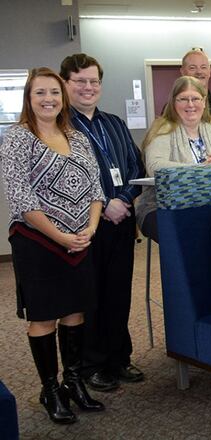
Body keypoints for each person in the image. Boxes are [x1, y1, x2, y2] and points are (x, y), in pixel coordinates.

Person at [0, 67, 105, 424]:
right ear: (29, 99)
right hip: (38, 244)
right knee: (44, 316)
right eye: (40, 93)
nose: (49, 99)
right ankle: (50, 389)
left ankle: (73, 381)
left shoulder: (76, 136)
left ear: (63, 98)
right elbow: (21, 198)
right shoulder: (17, 139)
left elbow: (95, 189)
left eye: (55, 93)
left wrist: (89, 230)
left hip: (80, 242)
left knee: (75, 312)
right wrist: (60, 237)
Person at [59, 53, 145, 393]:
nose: (87, 87)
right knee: (90, 296)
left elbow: (135, 167)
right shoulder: (61, 126)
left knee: (119, 292)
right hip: (85, 225)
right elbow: (67, 178)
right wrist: (104, 204)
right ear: (66, 84)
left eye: (93, 81)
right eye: (79, 81)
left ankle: (118, 358)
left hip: (121, 221)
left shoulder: (114, 123)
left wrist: (123, 200)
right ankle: (92, 365)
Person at [135, 76, 211, 242]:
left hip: (209, 202)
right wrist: (200, 168)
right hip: (161, 205)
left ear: (204, 102)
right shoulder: (162, 127)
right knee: (191, 232)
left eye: (195, 98)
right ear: (173, 102)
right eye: (183, 99)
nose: (190, 104)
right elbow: (156, 166)